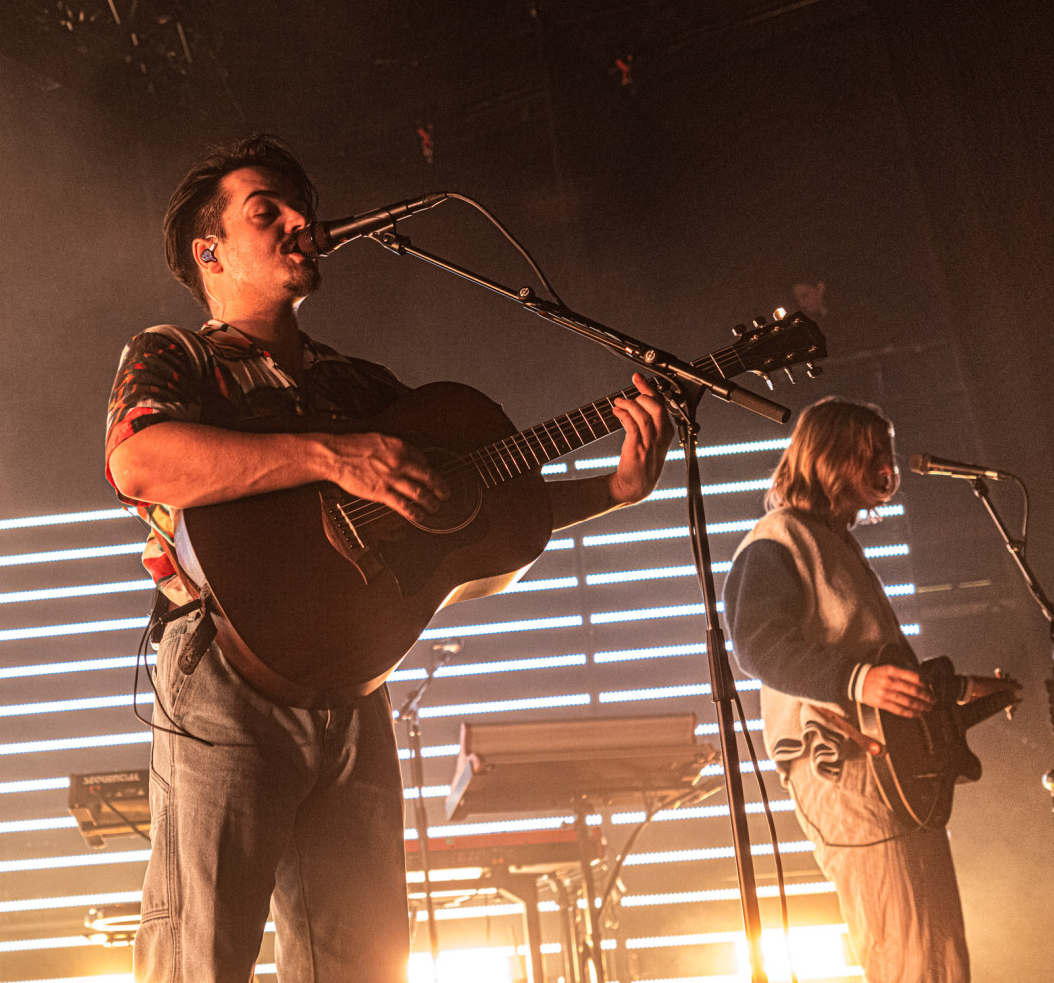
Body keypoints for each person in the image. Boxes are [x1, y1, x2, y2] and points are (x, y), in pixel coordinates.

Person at [104, 134, 673, 983]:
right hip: (225, 675)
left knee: (363, 965)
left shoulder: (361, 387)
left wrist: (615, 491)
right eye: (270, 211)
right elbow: (139, 460)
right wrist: (332, 458)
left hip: (354, 689)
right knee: (200, 957)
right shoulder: (174, 354)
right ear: (209, 249)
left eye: (303, 207)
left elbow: (475, 509)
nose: (302, 220)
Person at [722, 397, 1007, 983]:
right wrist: (858, 682)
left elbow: (874, 667)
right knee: (908, 956)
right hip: (847, 772)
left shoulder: (835, 543)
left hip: (893, 774)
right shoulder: (779, 539)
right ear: (829, 454)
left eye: (888, 451)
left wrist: (950, 693)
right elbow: (756, 645)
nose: (886, 463)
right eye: (871, 450)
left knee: (939, 958)